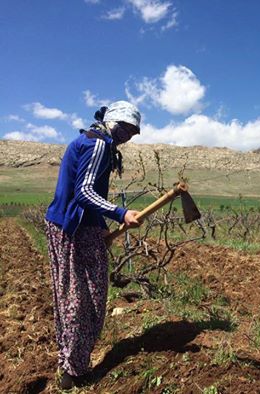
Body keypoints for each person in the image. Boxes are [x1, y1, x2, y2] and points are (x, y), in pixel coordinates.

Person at [45, 100, 143, 390]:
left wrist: (99, 227)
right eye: (126, 128)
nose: (129, 135)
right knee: (85, 298)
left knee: (71, 296)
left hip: (70, 226)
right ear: (113, 122)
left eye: (134, 132)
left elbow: (84, 193)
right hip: (74, 230)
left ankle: (69, 364)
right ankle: (74, 372)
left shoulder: (92, 140)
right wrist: (120, 213)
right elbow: (84, 192)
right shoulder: (99, 145)